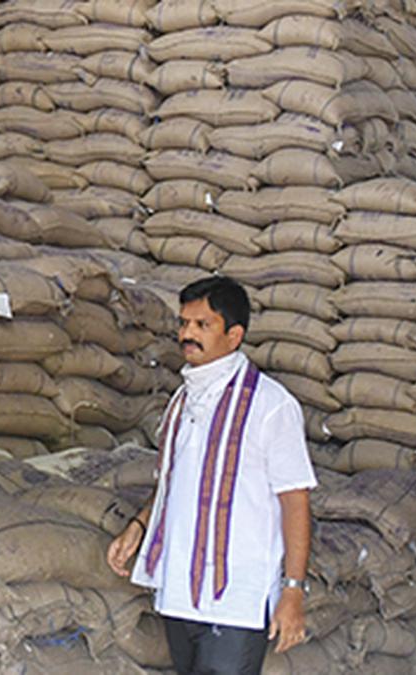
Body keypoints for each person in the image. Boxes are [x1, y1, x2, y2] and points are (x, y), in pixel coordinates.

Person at [107, 276, 316, 675]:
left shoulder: (270, 406)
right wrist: (139, 526)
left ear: (234, 335)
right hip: (178, 591)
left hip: (236, 599)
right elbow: (176, 482)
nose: (187, 334)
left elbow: (295, 501)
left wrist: (293, 590)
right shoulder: (182, 400)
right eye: (184, 323)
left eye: (202, 325)